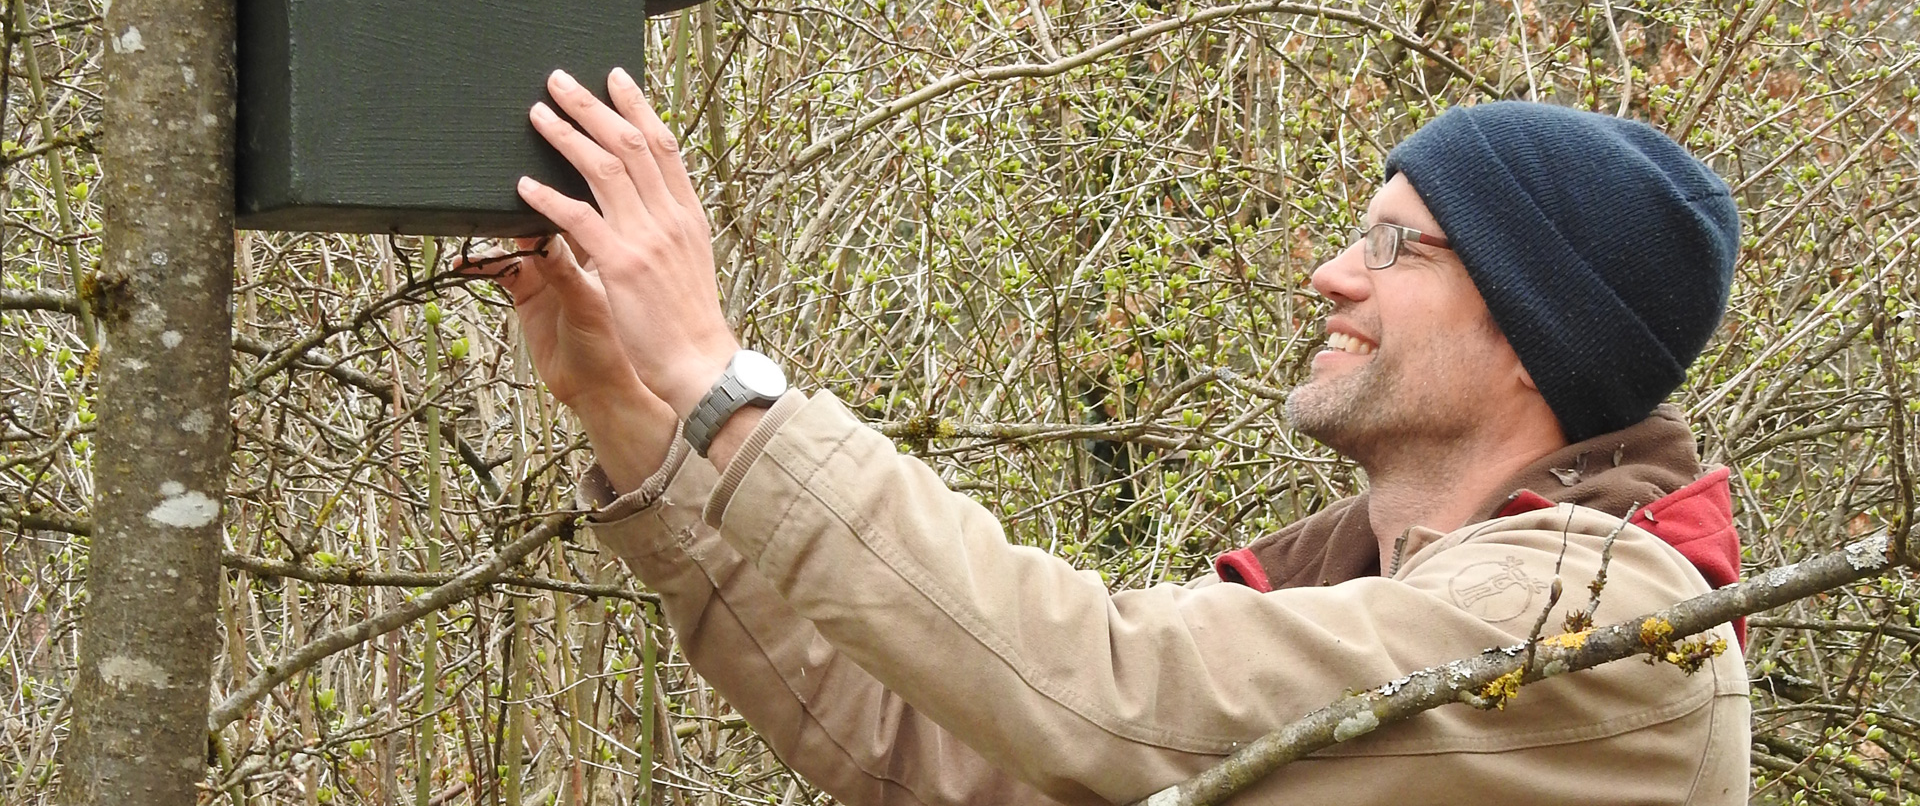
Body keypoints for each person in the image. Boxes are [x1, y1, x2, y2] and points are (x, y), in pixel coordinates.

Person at [474, 68, 1751, 806]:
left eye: (1392, 244)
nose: (1328, 275)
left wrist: (719, 377)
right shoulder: (1366, 595)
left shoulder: (1610, 629)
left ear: (1537, 330)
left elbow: (1101, 688)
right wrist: (634, 413)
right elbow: (960, 746)